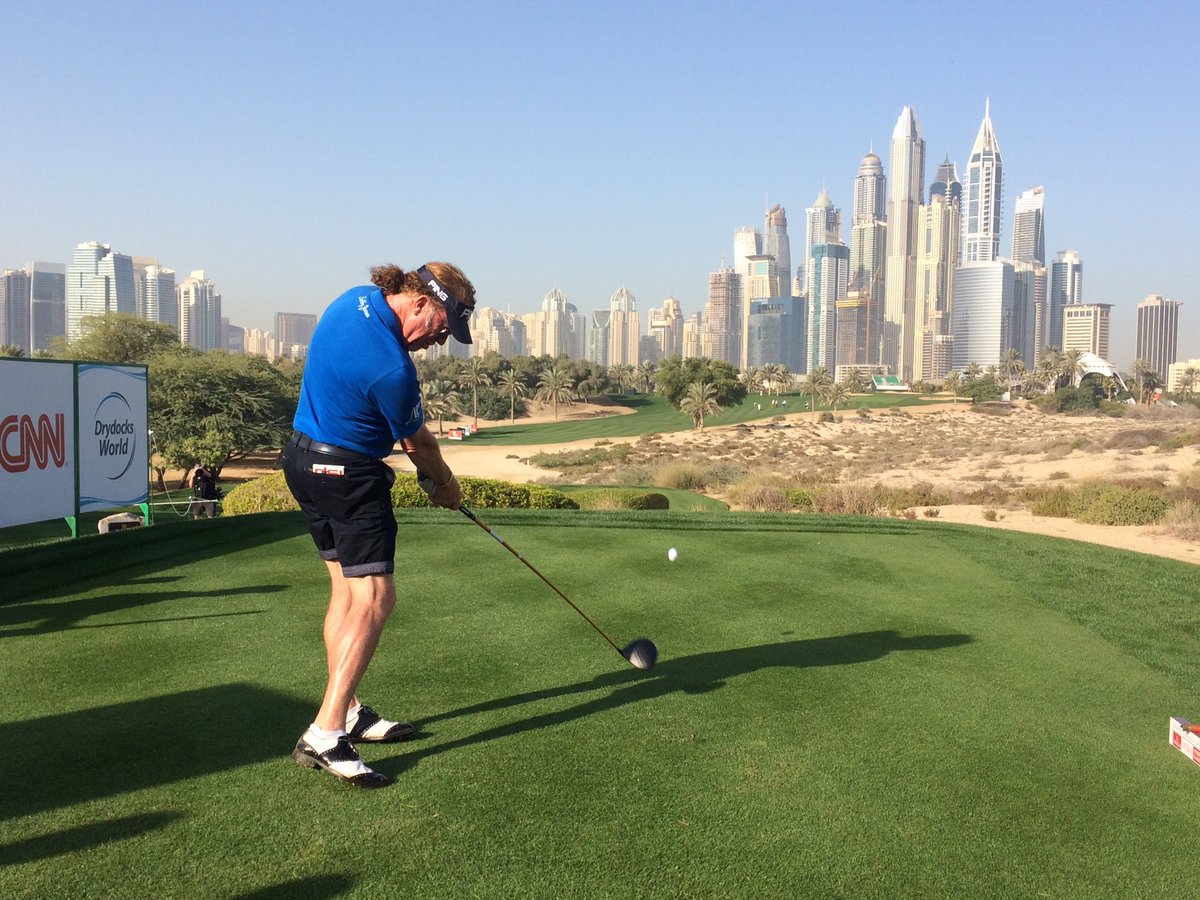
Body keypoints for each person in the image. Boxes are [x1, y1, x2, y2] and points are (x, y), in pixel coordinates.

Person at [282, 262, 475, 788]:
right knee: (375, 598)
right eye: (441, 328)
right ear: (421, 302)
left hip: (301, 460)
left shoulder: (353, 299)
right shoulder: (392, 369)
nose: (439, 341)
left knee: (346, 592)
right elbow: (420, 445)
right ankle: (325, 733)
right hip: (347, 476)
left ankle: (347, 711)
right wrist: (446, 486)